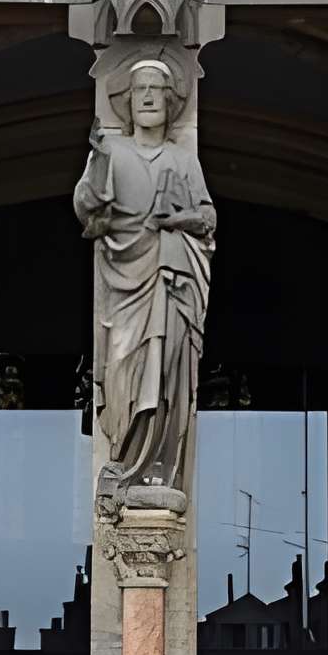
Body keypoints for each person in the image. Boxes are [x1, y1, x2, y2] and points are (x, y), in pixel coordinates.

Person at [73, 57, 215, 510]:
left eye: (157, 89)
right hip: (124, 285)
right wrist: (97, 159)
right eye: (140, 91)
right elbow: (88, 208)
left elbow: (208, 216)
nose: (149, 97)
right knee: (124, 376)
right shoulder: (113, 155)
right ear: (129, 102)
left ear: (171, 102)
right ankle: (124, 461)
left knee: (169, 372)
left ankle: (156, 468)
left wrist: (177, 218)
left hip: (171, 283)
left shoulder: (182, 159)